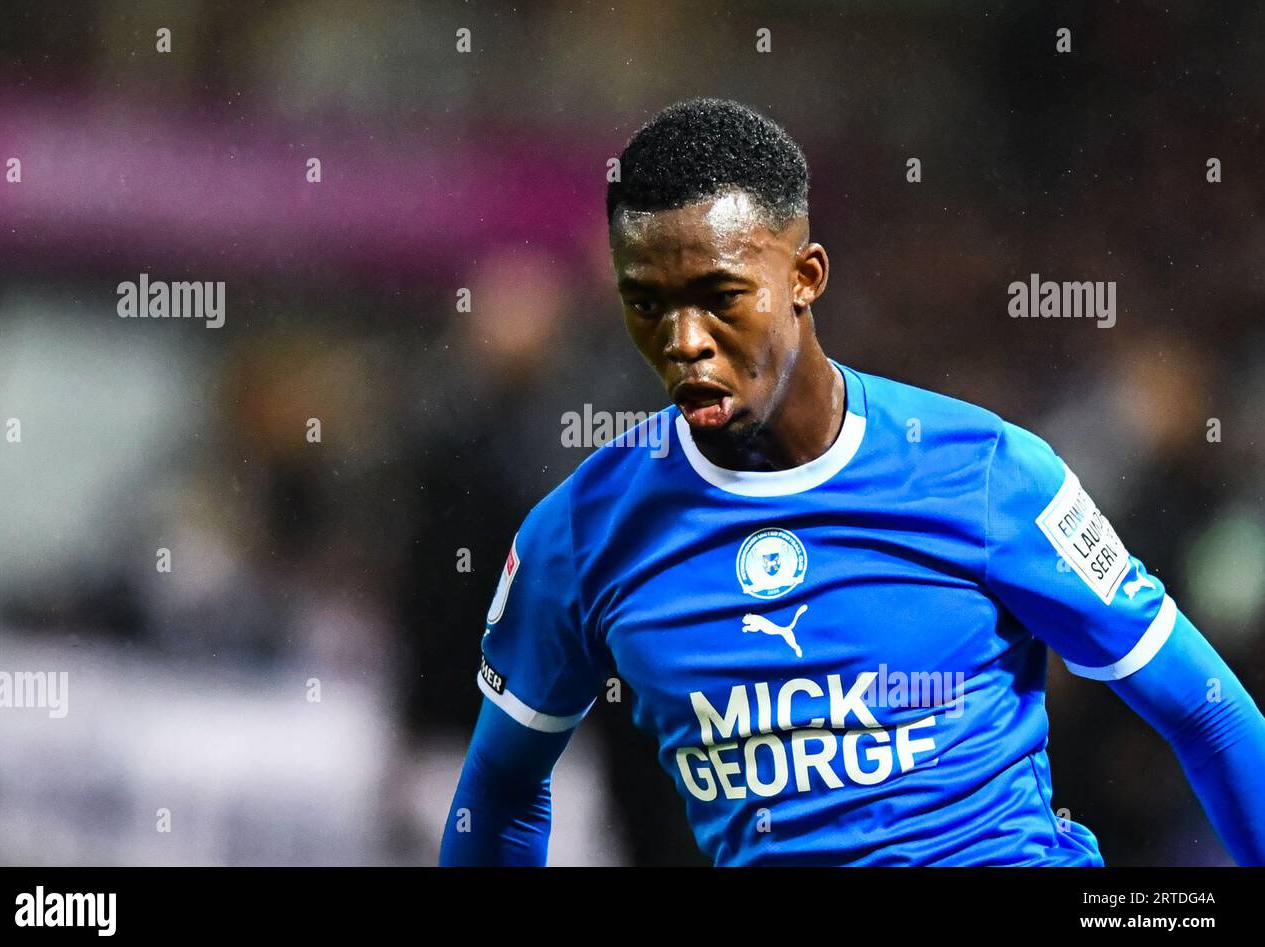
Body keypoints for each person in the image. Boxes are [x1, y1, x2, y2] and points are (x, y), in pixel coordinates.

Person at [440, 98, 1265, 866]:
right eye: (645, 304)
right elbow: (500, 793)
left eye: (721, 296)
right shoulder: (580, 535)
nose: (684, 340)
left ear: (805, 277)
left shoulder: (984, 471)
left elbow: (1206, 711)